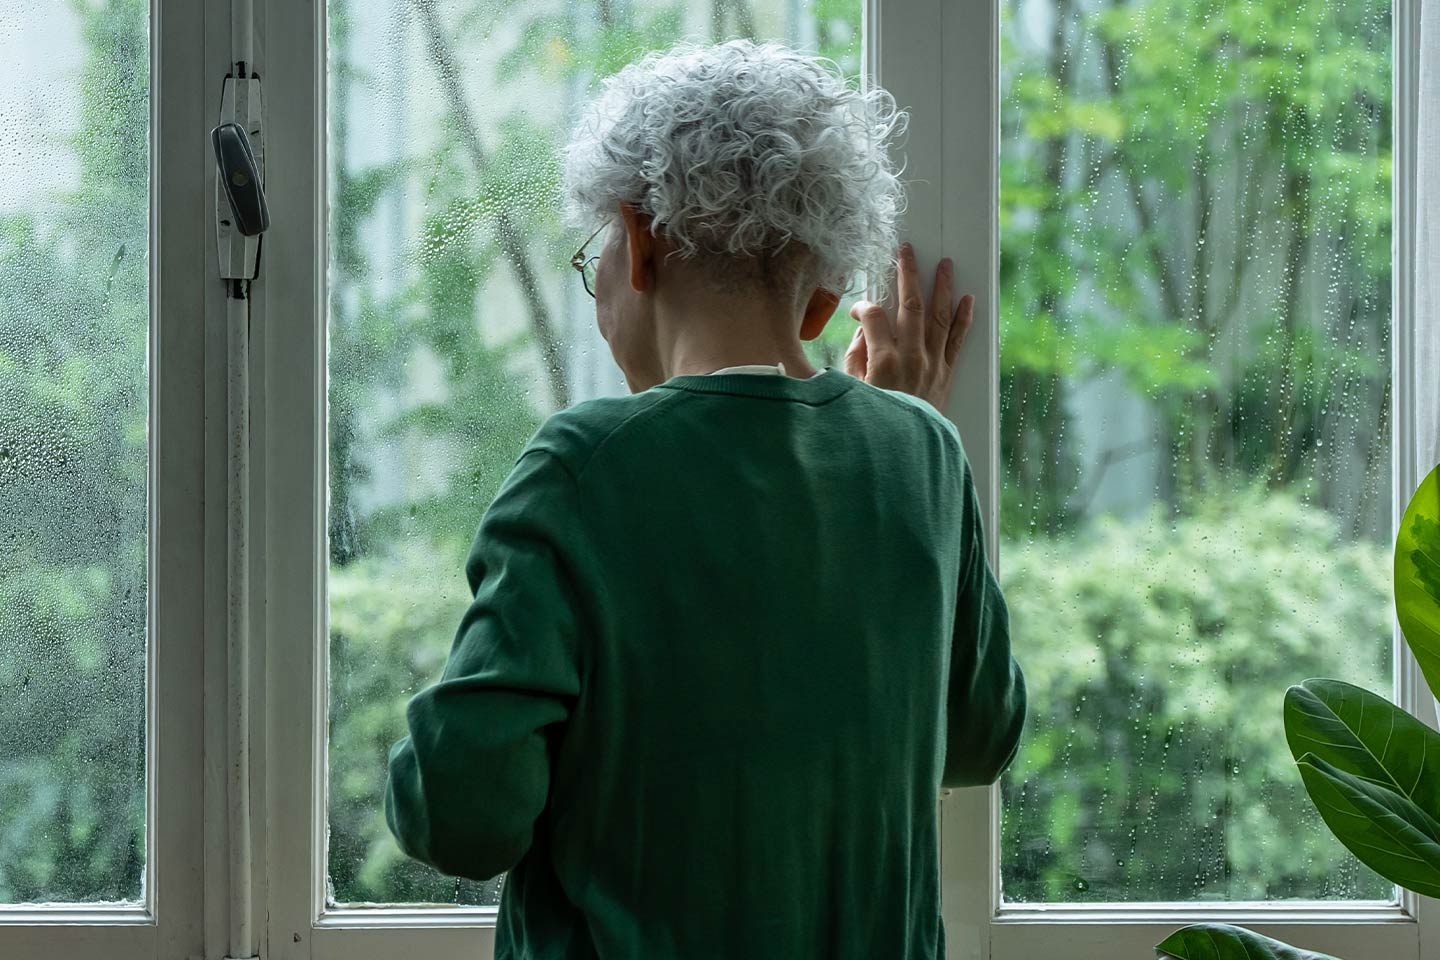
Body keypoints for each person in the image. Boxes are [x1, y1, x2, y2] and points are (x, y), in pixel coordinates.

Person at [384, 38, 1026, 960]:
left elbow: (464, 816)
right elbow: (977, 738)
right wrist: (893, 430)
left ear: (641, 240)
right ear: (821, 305)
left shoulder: (583, 468)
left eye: (596, 257)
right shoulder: (922, 452)